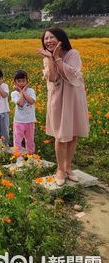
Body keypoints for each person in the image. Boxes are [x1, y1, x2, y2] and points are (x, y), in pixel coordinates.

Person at [38, 27, 89, 186]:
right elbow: (52, 78)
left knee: (73, 133)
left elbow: (70, 73)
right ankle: (60, 169)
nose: (48, 41)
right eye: (46, 39)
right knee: (61, 135)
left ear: (61, 38)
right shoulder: (47, 58)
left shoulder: (73, 54)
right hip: (58, 99)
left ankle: (68, 167)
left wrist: (58, 58)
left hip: (73, 97)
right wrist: (51, 59)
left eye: (51, 37)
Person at [11, 70, 36, 157]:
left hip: (30, 120)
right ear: (15, 82)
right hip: (19, 121)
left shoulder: (31, 91)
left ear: (27, 81)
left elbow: (31, 101)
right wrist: (21, 92)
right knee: (17, 140)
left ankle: (31, 155)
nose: (21, 83)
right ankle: (18, 156)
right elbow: (21, 103)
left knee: (30, 140)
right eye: (19, 81)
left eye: (23, 81)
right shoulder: (14, 93)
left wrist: (23, 91)